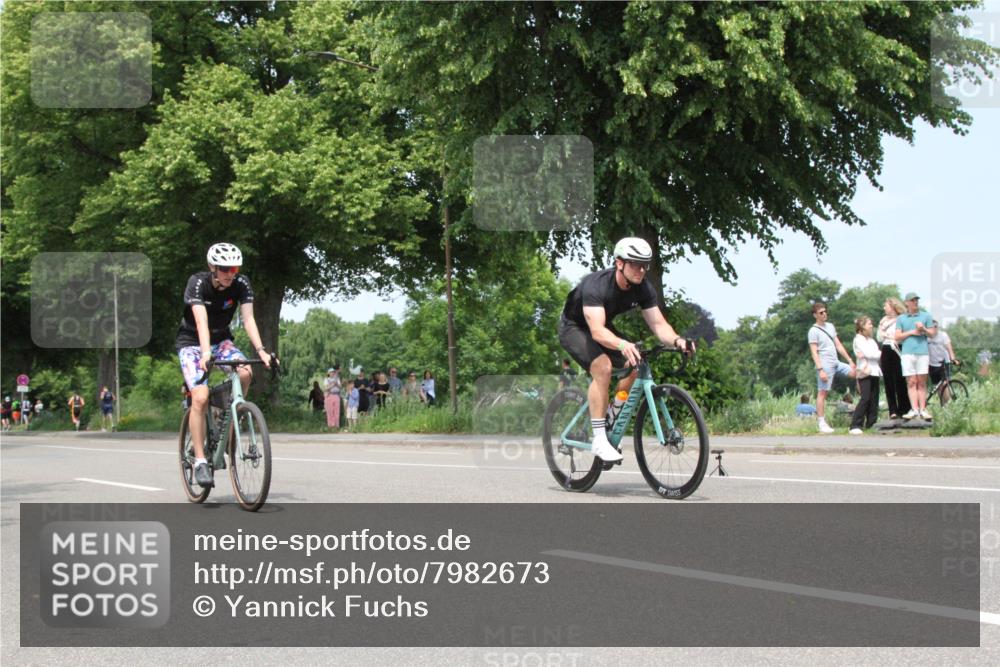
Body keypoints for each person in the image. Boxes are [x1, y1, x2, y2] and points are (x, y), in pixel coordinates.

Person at [558, 237, 694, 462]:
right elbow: (597, 332)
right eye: (635, 264)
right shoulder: (597, 285)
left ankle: (613, 413)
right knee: (603, 368)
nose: (641, 270)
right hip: (575, 327)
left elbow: (659, 325)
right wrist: (622, 344)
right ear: (619, 263)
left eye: (645, 265)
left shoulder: (642, 288)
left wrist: (678, 341)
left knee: (635, 362)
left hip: (601, 326)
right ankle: (600, 439)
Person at [176, 242, 272, 488]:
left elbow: (248, 318)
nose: (231, 273)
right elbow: (201, 321)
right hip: (193, 343)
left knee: (246, 372)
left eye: (235, 268)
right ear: (212, 267)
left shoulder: (241, 283)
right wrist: (206, 352)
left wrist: (261, 350)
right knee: (200, 396)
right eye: (225, 268)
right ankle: (199, 461)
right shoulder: (197, 283)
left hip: (222, 341)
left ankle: (230, 414)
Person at [807, 301, 856, 434]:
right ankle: (821, 422)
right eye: (821, 313)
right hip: (825, 363)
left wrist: (850, 360)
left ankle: (862, 409)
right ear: (815, 315)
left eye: (825, 311)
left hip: (836, 362)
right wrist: (820, 369)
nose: (824, 314)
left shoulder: (830, 326)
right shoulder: (813, 331)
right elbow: (814, 352)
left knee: (857, 373)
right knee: (823, 392)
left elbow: (838, 345)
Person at [895, 292, 935, 421]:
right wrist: (912, 331)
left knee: (922, 382)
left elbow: (932, 334)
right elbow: (897, 337)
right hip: (907, 353)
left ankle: (923, 409)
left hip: (922, 352)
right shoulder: (901, 318)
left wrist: (923, 329)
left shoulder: (926, 316)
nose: (915, 302)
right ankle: (914, 409)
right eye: (912, 300)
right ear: (907, 303)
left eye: (916, 300)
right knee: (911, 381)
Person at [876, 297, 911, 420]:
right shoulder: (883, 321)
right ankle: (893, 410)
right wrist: (887, 335)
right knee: (888, 380)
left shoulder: (902, 319)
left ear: (893, 306)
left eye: (886, 305)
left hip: (898, 348)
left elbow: (902, 335)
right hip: (886, 349)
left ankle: (905, 407)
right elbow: (879, 337)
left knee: (900, 379)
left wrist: (894, 337)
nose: (884, 308)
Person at [850, 316, 882, 434]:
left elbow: (876, 353)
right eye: (869, 324)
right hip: (865, 371)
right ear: (862, 326)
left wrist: (876, 354)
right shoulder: (858, 340)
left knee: (874, 398)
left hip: (874, 371)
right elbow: (870, 354)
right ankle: (855, 424)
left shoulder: (871, 340)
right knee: (865, 397)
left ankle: (871, 423)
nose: (871, 326)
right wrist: (878, 354)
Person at [927, 321, 959, 400]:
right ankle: (943, 403)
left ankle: (948, 404)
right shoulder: (926, 336)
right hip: (932, 363)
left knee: (945, 383)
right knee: (937, 386)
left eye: (936, 327)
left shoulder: (943, 335)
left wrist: (953, 359)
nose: (934, 329)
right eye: (932, 327)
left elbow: (949, 349)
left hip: (944, 362)